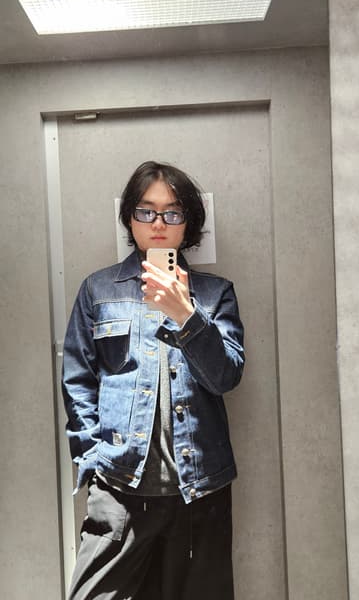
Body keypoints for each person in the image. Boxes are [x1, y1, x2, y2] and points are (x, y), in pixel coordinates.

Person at [62, 160, 245, 600]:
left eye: (172, 213)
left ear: (189, 223)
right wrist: (92, 461)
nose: (158, 223)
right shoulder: (98, 290)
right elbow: (78, 380)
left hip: (199, 490)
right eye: (146, 211)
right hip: (118, 487)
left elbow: (225, 377)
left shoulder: (215, 294)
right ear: (130, 218)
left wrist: (186, 314)